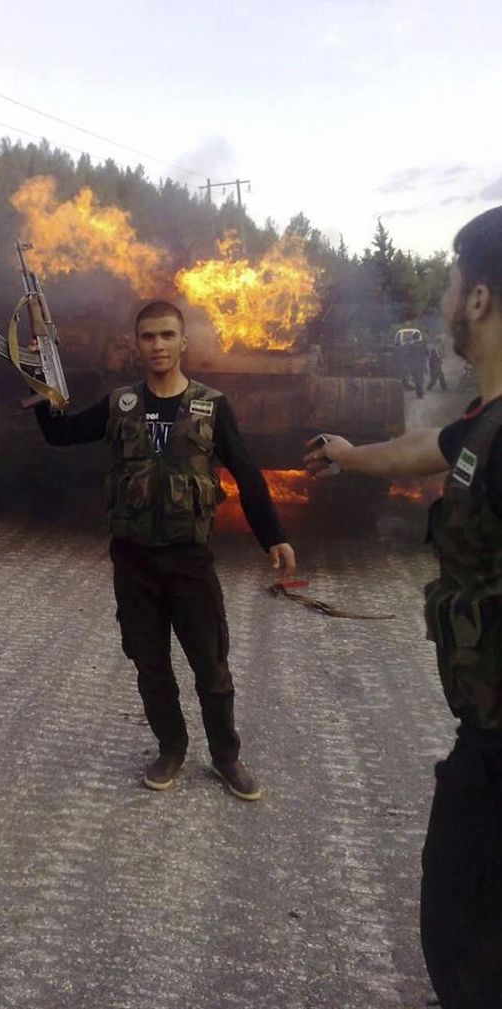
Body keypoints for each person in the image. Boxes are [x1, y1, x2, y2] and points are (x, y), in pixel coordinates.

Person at [304, 205, 502, 1008]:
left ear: (480, 298)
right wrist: (353, 457)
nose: (446, 296)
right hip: (483, 738)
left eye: (452, 281)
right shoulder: (484, 425)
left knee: (467, 935)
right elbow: (432, 449)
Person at [35, 300, 296, 800]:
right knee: (151, 666)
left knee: (211, 669)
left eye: (167, 335)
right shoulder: (120, 404)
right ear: (137, 344)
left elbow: (244, 471)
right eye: (148, 337)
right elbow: (60, 434)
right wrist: (40, 379)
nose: (157, 345)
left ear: (183, 342)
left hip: (189, 562)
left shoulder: (211, 405)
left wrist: (273, 536)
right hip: (133, 562)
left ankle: (226, 757)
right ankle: (171, 747)